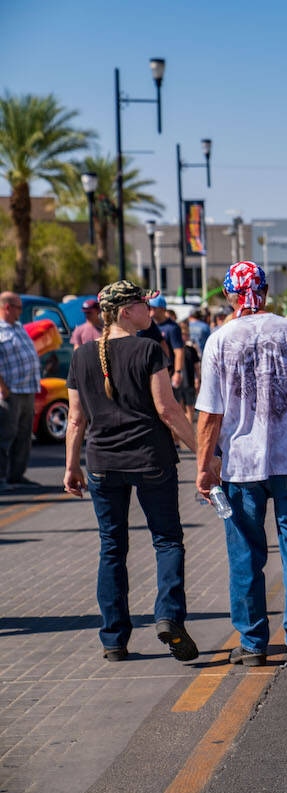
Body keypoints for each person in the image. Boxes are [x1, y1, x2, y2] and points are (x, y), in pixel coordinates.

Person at [195, 261, 287, 676]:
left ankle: (252, 642)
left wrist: (204, 466)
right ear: (266, 290)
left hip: (242, 466)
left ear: (229, 295)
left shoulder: (219, 340)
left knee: (245, 551)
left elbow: (210, 414)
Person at [62, 280, 200, 662]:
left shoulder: (82, 355)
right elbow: (169, 411)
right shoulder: (148, 350)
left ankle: (113, 639)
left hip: (103, 465)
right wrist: (204, 455)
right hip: (151, 460)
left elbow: (75, 420)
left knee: (111, 547)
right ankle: (169, 617)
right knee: (167, 541)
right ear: (125, 311)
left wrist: (72, 466)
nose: (149, 310)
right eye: (144, 304)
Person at [0, 292, 41, 492]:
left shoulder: (18, 327)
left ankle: (17, 475)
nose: (21, 311)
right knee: (5, 435)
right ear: (7, 308)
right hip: (11, 392)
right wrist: (2, 388)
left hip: (28, 390)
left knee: (24, 436)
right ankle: (1, 478)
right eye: (18, 307)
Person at [177, 323, 202, 423]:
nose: (185, 336)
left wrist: (198, 380)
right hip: (178, 384)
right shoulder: (175, 350)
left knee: (190, 407)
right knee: (180, 407)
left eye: (186, 334)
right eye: (183, 334)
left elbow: (197, 367)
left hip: (189, 382)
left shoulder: (191, 350)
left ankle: (189, 426)